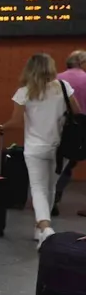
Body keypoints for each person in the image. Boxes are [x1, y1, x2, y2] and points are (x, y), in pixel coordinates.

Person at [0, 53, 81, 248]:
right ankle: (39, 231)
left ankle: (46, 229)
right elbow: (77, 112)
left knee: (38, 189)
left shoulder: (24, 92)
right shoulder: (63, 88)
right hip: (61, 148)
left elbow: (15, 122)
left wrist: (0, 128)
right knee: (50, 188)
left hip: (35, 148)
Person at [53, 49, 86, 217]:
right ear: (81, 62)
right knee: (73, 160)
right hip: (83, 125)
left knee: (61, 162)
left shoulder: (56, 79)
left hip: (60, 126)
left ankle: (53, 197)